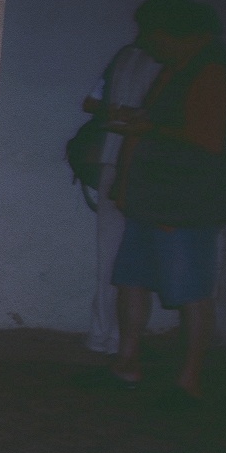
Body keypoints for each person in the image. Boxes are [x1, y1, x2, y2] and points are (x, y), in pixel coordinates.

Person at [106, 0, 226, 400]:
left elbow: (208, 139)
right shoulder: (180, 66)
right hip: (153, 199)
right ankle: (126, 365)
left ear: (176, 32)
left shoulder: (211, 68)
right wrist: (142, 121)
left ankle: (189, 382)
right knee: (131, 279)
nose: (145, 43)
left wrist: (146, 128)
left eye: (152, 34)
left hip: (186, 205)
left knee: (191, 291)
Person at [80, 39, 162, 353]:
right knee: (114, 258)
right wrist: (120, 113)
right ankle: (106, 336)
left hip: (142, 166)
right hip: (119, 162)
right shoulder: (128, 56)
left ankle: (115, 339)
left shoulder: (154, 59)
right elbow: (92, 102)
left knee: (125, 260)